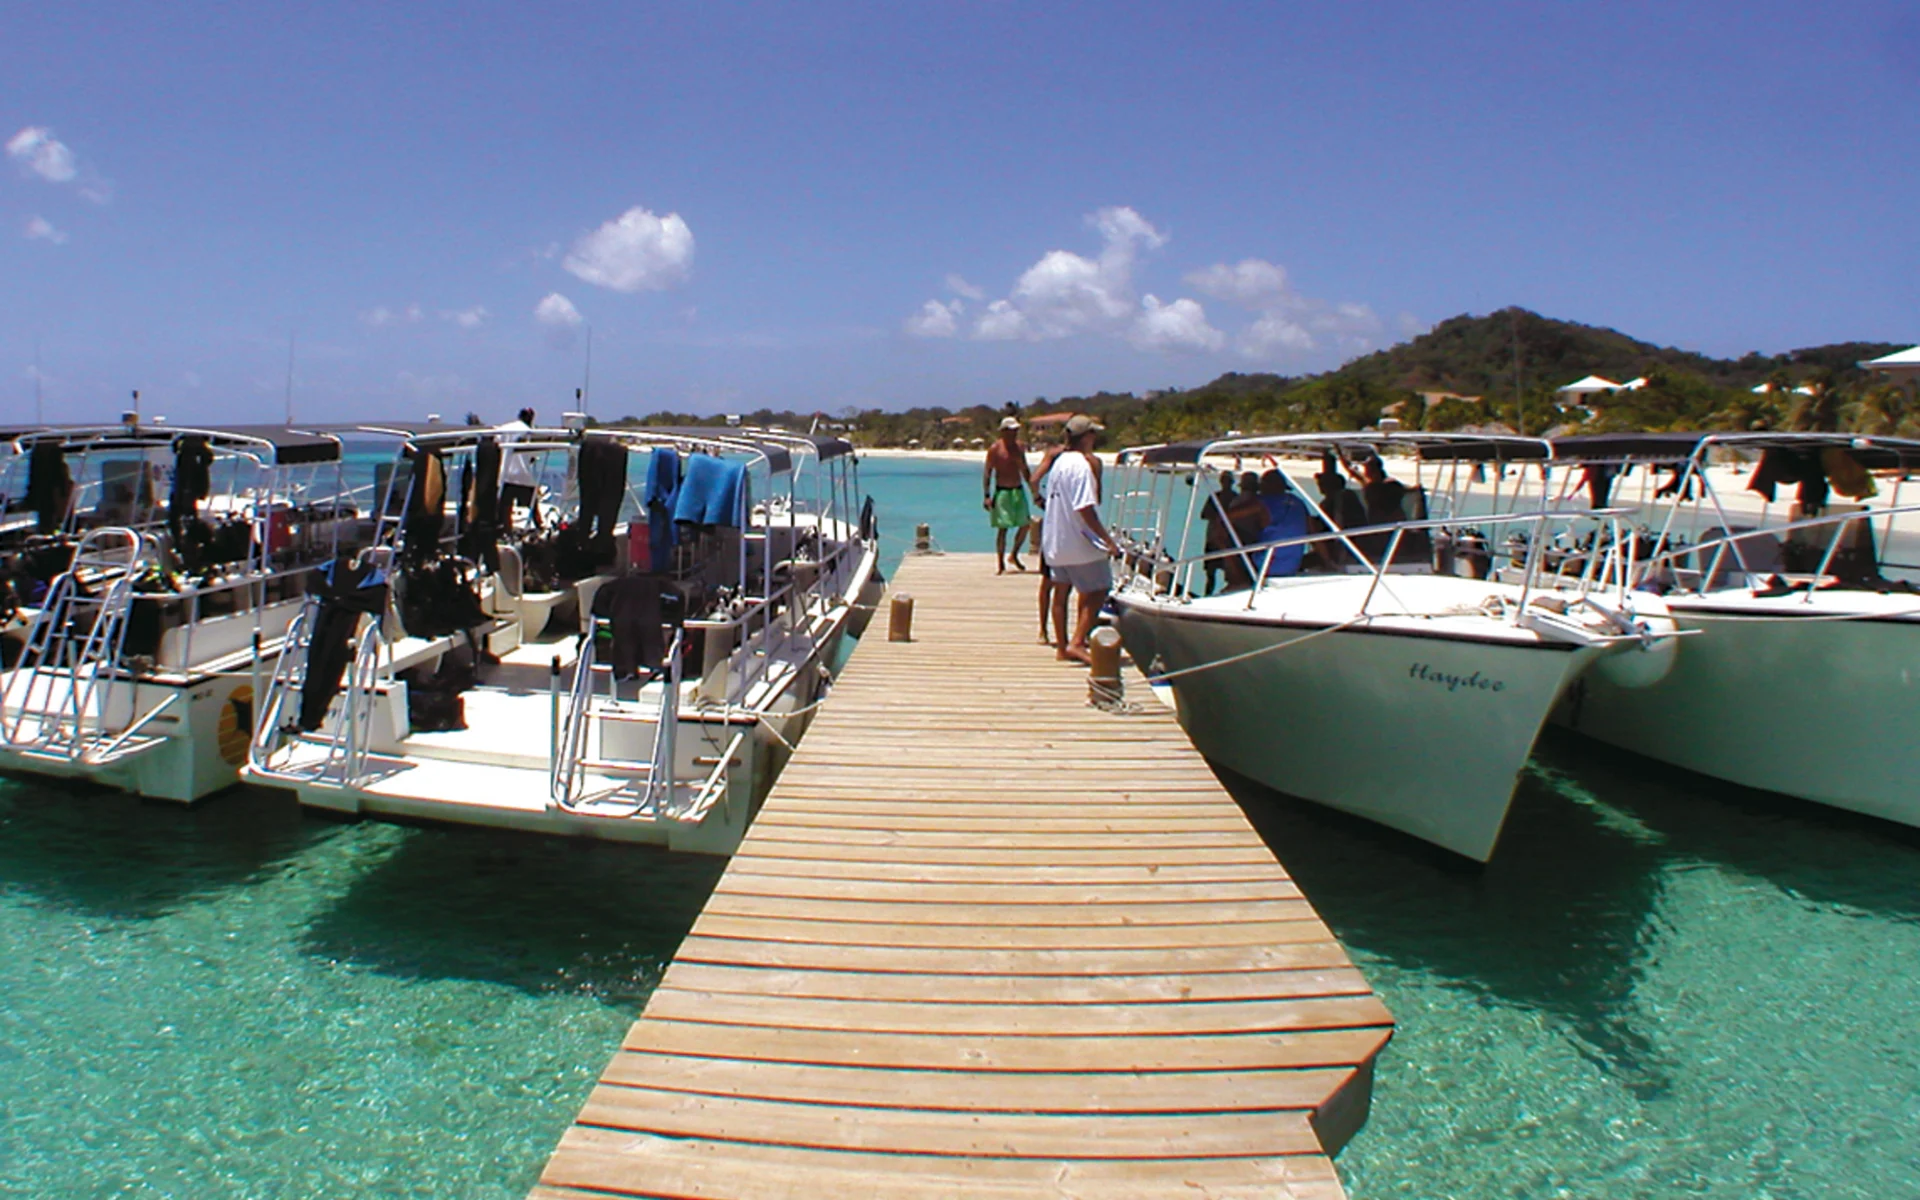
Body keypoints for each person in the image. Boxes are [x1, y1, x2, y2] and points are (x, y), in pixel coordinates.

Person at [1041, 414, 1117, 664]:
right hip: (1078, 543)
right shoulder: (1081, 466)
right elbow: (1085, 507)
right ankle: (1077, 642)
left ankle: (1062, 648)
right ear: (1086, 437)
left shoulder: (1059, 462)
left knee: (1060, 593)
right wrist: (1107, 540)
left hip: (1055, 542)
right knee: (1100, 588)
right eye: (1093, 434)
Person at [982, 417, 1033, 573]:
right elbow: (987, 472)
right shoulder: (995, 449)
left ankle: (1014, 554)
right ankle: (1000, 563)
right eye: (1012, 431)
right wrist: (987, 495)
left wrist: (1034, 490)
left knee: (1025, 525)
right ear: (1004, 432)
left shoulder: (1019, 448)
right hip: (1002, 491)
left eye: (1016, 430)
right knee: (1002, 529)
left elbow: (1024, 470)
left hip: (1018, 490)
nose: (1015, 433)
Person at [498, 407, 540, 528]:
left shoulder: (505, 428)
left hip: (507, 474)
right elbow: (533, 456)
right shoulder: (530, 432)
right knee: (533, 506)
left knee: (505, 508)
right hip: (524, 475)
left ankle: (506, 530)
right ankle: (539, 527)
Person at [1199, 472, 1237, 596]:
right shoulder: (1216, 496)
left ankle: (1224, 595)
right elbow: (1203, 514)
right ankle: (1207, 596)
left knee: (1230, 572)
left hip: (1226, 538)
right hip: (1215, 538)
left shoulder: (1234, 498)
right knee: (1210, 573)